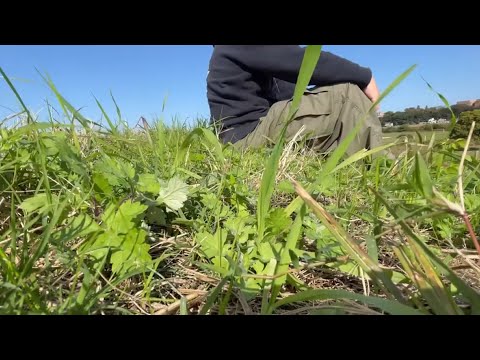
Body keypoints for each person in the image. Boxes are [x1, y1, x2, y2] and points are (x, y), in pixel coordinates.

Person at [206, 45, 383, 156]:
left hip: (244, 138)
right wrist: (365, 76)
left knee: (331, 102)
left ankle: (355, 160)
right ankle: (379, 167)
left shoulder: (234, 53)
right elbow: (305, 62)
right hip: (246, 139)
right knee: (345, 93)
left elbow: (291, 95)